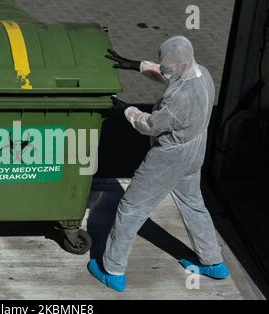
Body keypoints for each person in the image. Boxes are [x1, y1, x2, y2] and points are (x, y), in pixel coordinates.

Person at [87, 36, 230, 293]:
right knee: (193, 204)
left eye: (165, 66)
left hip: (169, 158)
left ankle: (113, 269)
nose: (164, 71)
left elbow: (150, 125)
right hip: (195, 150)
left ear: (177, 64)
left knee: (131, 208)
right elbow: (170, 75)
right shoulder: (202, 75)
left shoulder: (180, 100)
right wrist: (136, 65)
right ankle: (213, 261)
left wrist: (127, 110)